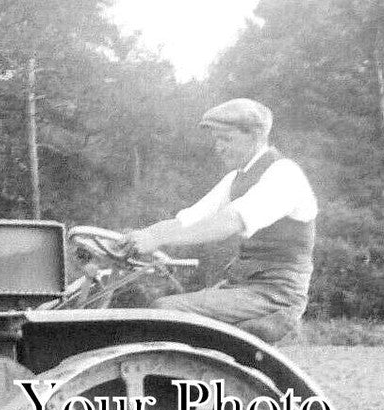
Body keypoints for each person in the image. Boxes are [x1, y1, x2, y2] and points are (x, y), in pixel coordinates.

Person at [122, 98, 318, 342]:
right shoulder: (237, 178)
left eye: (227, 139)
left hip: (275, 294)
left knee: (166, 311)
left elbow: (230, 221)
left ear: (256, 136)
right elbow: (187, 220)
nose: (219, 147)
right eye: (216, 140)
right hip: (245, 287)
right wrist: (135, 238)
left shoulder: (283, 174)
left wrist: (158, 238)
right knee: (140, 305)